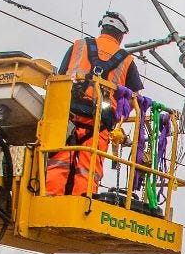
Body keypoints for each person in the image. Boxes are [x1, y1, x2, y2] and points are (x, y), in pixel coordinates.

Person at [45, 11, 144, 197]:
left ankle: (51, 198)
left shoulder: (78, 46)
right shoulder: (127, 60)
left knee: (59, 161)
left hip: (66, 117)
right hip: (99, 123)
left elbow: (60, 77)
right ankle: (82, 202)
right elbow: (134, 98)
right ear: (122, 35)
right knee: (88, 168)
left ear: (102, 28)